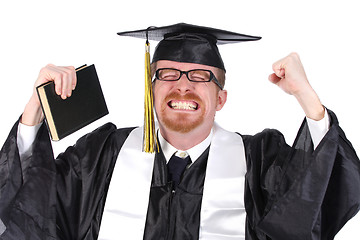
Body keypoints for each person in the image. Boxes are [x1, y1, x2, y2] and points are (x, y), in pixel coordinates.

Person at [0, 23, 359, 240]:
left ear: (221, 98)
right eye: (168, 74)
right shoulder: (101, 156)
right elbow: (31, 206)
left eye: (201, 76)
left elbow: (316, 200)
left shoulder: (261, 161)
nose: (183, 87)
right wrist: (35, 111)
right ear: (151, 90)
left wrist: (306, 96)